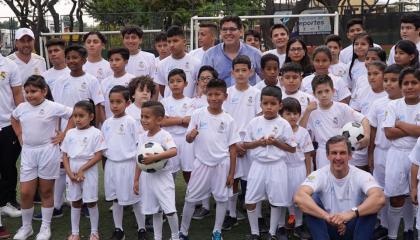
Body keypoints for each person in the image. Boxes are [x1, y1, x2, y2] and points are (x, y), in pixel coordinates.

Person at [11, 75, 73, 240]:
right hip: (28, 153)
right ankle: (26, 227)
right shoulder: (22, 107)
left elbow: (74, 115)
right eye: (27, 92)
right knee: (25, 192)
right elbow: (14, 118)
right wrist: (19, 135)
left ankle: (45, 228)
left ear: (44, 91)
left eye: (34, 91)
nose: (29, 95)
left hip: (48, 151)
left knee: (46, 191)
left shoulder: (53, 107)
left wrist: (63, 135)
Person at [179, 79, 240, 240]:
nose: (214, 98)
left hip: (222, 164)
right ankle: (183, 232)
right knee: (190, 198)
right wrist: (190, 136)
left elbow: (233, 148)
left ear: (225, 96)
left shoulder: (228, 119)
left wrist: (231, 174)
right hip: (201, 163)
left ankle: (216, 231)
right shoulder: (198, 114)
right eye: (211, 94)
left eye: (218, 94)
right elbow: (188, 139)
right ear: (206, 95)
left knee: (221, 198)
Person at [294, 135, 385, 239]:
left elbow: (380, 198)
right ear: (327, 156)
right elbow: (299, 197)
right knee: (311, 199)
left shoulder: (361, 175)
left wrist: (349, 214)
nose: (338, 157)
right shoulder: (319, 174)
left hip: (353, 225)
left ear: (350, 155)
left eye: (342, 153)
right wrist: (327, 217)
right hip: (329, 225)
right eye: (334, 153)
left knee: (371, 205)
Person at [243, 86, 296, 240]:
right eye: (265, 103)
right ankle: (255, 233)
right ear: (260, 104)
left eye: (273, 104)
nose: (269, 107)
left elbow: (292, 148)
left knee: (276, 200)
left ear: (280, 105)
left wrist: (276, 143)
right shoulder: (254, 122)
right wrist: (259, 143)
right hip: (258, 165)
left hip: (276, 165)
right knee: (251, 200)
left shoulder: (284, 124)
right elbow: (246, 144)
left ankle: (272, 233)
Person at [222, 55, 261, 231]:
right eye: (237, 70)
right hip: (233, 143)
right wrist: (236, 142)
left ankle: (258, 216)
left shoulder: (257, 93)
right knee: (233, 179)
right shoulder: (227, 93)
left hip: (252, 144)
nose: (240, 73)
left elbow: (260, 119)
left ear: (250, 71)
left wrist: (248, 143)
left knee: (253, 180)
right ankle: (231, 214)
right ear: (232, 72)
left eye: (243, 70)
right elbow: (225, 119)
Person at [101, 85, 146, 240]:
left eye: (118, 102)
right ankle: (119, 230)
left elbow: (138, 146)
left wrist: (137, 171)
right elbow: (103, 145)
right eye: (111, 102)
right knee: (116, 199)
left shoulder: (132, 122)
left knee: (135, 198)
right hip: (111, 165)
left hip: (128, 165)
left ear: (127, 103)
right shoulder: (106, 123)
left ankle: (142, 229)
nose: (114, 105)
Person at [299, 74, 370, 169]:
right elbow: (301, 131)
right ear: (314, 94)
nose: (324, 95)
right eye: (319, 92)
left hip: (342, 150)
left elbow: (363, 119)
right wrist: (307, 111)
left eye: (327, 91)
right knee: (325, 181)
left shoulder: (342, 107)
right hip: (323, 152)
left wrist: (367, 136)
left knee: (344, 180)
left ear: (333, 91)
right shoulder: (312, 112)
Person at [383, 67, 420, 240]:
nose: (410, 86)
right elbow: (389, 133)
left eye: (414, 82)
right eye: (406, 83)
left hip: (417, 154)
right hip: (397, 155)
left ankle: (409, 230)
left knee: (415, 194)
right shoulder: (393, 105)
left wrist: (401, 124)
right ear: (401, 85)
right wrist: (414, 130)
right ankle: (392, 235)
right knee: (397, 196)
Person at [367, 64, 403, 239]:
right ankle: (383, 224)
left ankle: (407, 228)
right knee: (380, 191)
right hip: (381, 152)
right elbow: (373, 130)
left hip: (399, 152)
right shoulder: (378, 103)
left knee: (398, 191)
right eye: (386, 80)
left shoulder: (408, 103)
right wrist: (370, 153)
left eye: (394, 80)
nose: (389, 84)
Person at [134, 101, 180, 240]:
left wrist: (156, 157)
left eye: (147, 117)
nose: (143, 120)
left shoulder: (164, 135)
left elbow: (173, 151)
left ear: (159, 119)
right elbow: (139, 160)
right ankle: (157, 237)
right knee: (155, 211)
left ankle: (175, 236)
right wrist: (136, 179)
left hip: (163, 177)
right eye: (142, 116)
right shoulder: (142, 137)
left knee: (170, 210)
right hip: (147, 178)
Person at [62, 100, 106, 240]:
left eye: (81, 116)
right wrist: (69, 172)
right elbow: (65, 155)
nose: (77, 119)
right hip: (72, 170)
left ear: (91, 117)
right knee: (75, 201)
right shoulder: (69, 133)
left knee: (91, 201)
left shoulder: (96, 133)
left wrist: (82, 169)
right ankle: (75, 233)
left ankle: (94, 232)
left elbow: (98, 155)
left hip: (89, 170)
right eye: (75, 116)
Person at [280, 97, 313, 239]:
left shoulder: (303, 132)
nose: (292, 117)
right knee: (283, 197)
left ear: (299, 114)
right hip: (283, 169)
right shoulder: (279, 131)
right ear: (281, 115)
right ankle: (282, 224)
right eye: (288, 114)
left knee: (299, 197)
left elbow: (307, 155)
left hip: (299, 169)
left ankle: (298, 224)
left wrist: (308, 173)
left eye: (295, 113)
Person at [0, 40, 23, 238]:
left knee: (8, 166)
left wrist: (22, 122)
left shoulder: (10, 65)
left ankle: (7, 201)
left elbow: (17, 96)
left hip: (7, 125)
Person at [52, 45, 105, 128]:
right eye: (68, 58)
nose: (71, 61)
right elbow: (57, 107)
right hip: (65, 130)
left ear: (84, 60)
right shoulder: (60, 81)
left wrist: (95, 128)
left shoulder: (92, 80)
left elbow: (97, 106)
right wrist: (57, 129)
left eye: (75, 57)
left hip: (86, 129)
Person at [202, 16, 262, 86]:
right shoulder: (209, 55)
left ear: (241, 31)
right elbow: (203, 82)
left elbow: (266, 78)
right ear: (220, 32)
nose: (228, 33)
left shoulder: (254, 53)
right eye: (224, 29)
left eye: (232, 29)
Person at [160, 69, 194, 181]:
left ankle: (191, 197)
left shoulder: (191, 102)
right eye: (172, 81)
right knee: (169, 172)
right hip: (170, 139)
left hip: (186, 140)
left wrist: (172, 119)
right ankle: (168, 197)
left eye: (178, 81)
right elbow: (163, 122)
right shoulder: (164, 102)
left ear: (185, 84)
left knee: (188, 171)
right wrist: (182, 120)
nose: (175, 84)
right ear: (168, 84)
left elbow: (190, 122)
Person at [155, 25, 200, 98]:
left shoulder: (196, 63)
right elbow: (162, 88)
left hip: (190, 107)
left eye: (175, 41)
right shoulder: (161, 64)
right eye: (169, 42)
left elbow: (199, 87)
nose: (172, 45)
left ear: (184, 42)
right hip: (170, 108)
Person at [101, 47, 135, 118]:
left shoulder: (133, 80)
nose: (114, 63)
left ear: (126, 61)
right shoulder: (104, 82)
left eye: (117, 60)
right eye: (111, 60)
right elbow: (102, 106)